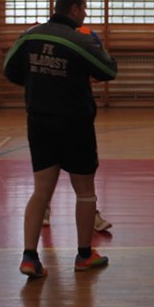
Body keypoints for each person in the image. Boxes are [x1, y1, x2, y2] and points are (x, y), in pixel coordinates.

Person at [3, 0, 118, 277]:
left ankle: (29, 257)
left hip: (39, 122)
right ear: (75, 9)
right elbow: (108, 70)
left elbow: (9, 69)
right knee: (85, 192)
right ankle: (84, 255)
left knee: (41, 191)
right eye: (84, 7)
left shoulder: (30, 35)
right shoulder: (79, 39)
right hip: (74, 124)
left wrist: (42, 83)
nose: (86, 13)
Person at [43, 24, 112, 235]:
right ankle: (44, 208)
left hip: (77, 112)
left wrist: (88, 76)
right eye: (82, 8)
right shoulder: (46, 34)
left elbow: (104, 67)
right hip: (51, 111)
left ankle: (92, 214)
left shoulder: (88, 37)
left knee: (82, 173)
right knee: (50, 168)